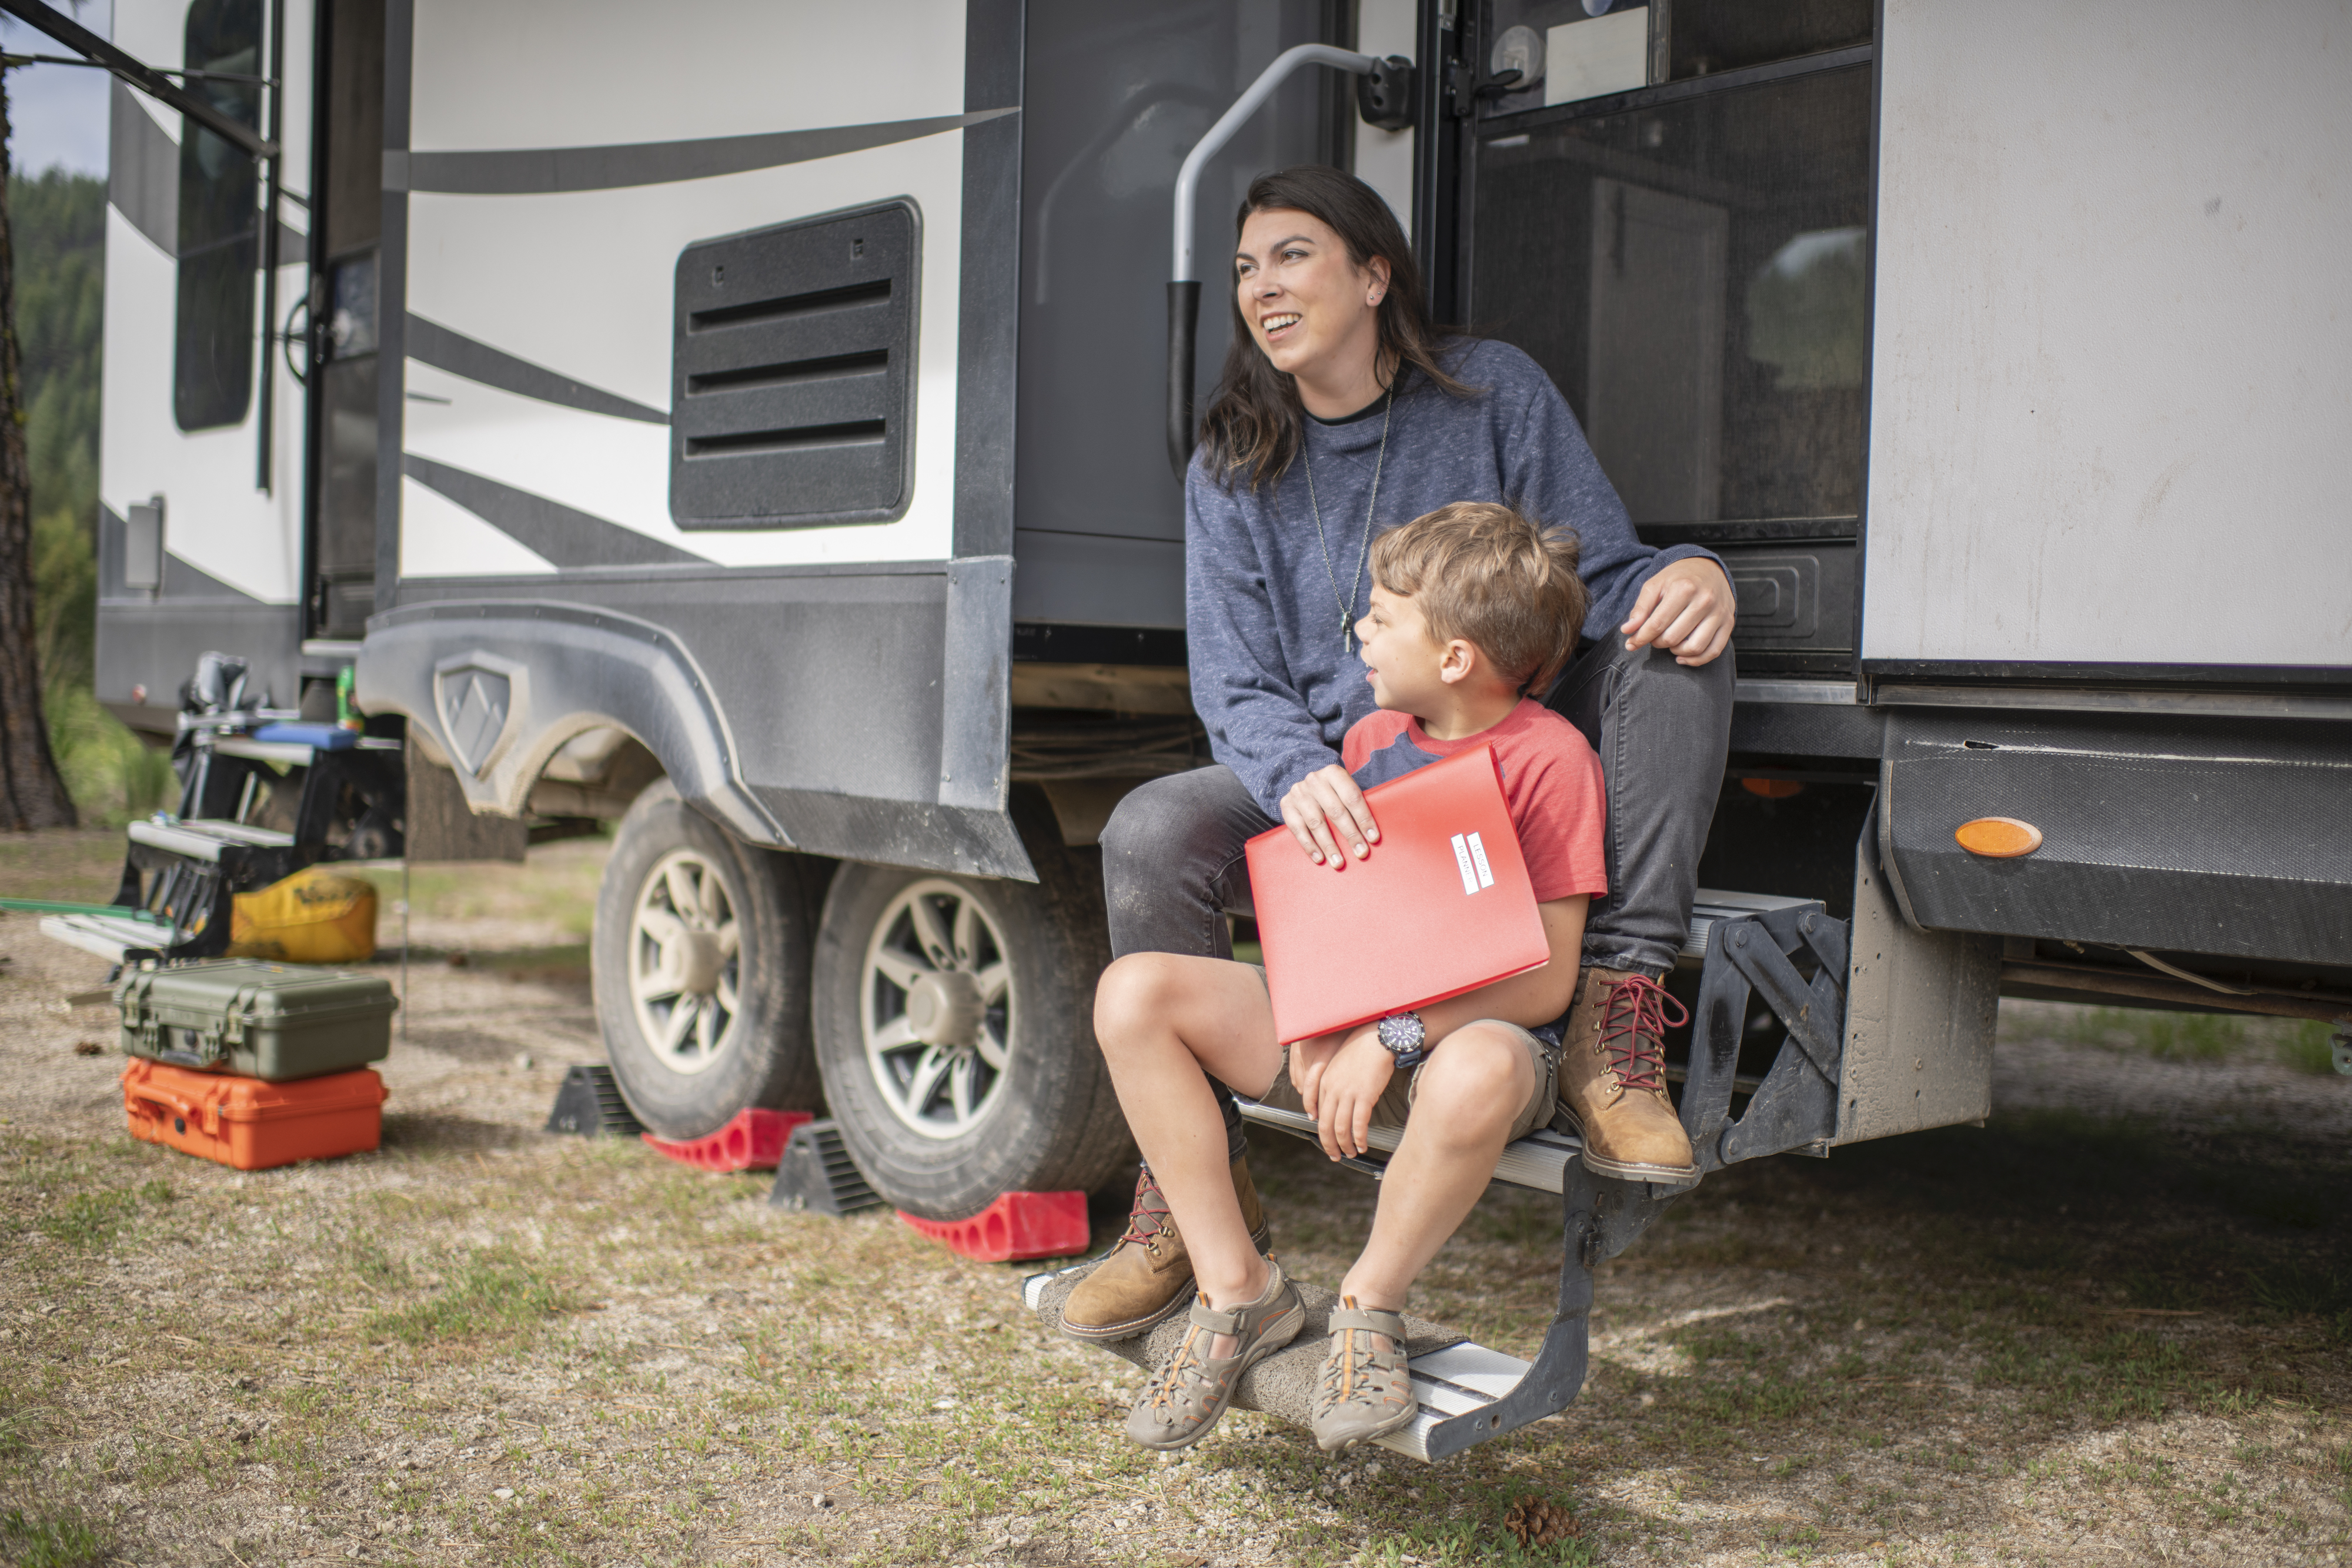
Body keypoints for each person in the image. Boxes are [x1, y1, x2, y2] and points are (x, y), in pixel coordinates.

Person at [1060, 165, 1735, 1345]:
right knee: (1151, 825)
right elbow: (1230, 679)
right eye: (1242, 269)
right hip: (1324, 774)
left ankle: (1610, 1027)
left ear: (1373, 276)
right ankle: (1183, 1196)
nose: (1260, 287)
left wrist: (1693, 569)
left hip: (1471, 755)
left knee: (1673, 647)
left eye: (1290, 256)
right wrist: (1292, 772)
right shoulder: (1229, 461)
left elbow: (1597, 572)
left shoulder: (1488, 394)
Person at [1092, 502, 1605, 1453]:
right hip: (1353, 1037)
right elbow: (1353, 917)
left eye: (1380, 617)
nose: (1358, 633)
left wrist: (1392, 1034)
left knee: (1485, 1064)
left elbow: (1545, 980)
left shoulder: (1552, 762)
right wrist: (1327, 1021)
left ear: (1455, 657)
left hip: (1469, 1054)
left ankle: (1371, 1308)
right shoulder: (1372, 742)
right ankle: (1238, 1290)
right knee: (1134, 995)